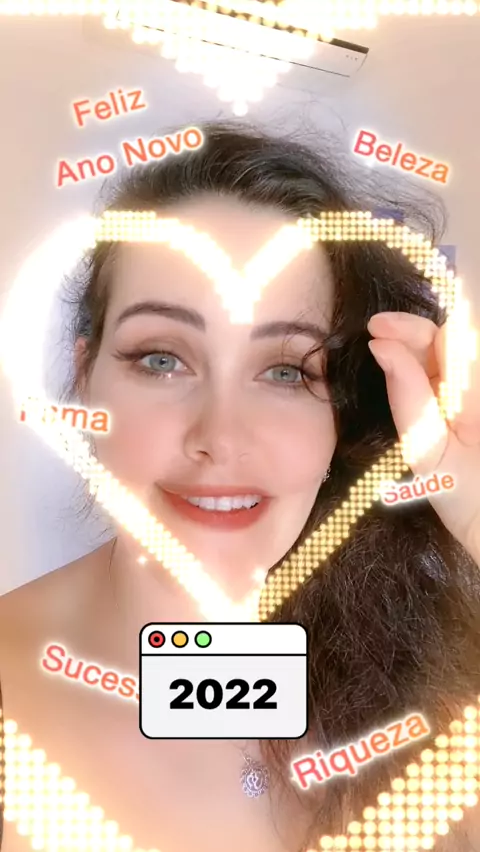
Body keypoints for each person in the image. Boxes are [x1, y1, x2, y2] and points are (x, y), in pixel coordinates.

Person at [1, 121, 480, 852]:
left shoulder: (437, 696)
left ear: (341, 414)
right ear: (84, 374)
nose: (221, 438)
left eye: (286, 370)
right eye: (161, 359)